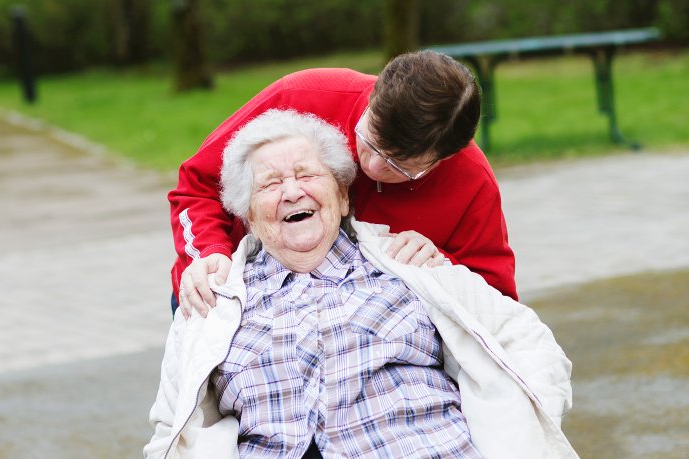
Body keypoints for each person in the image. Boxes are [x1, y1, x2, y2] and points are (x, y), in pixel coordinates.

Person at [144, 110, 577, 459]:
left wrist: (519, 433)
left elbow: (527, 344)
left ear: (344, 195)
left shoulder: (409, 265)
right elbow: (171, 428)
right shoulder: (216, 301)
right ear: (249, 216)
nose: (292, 192)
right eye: (271, 184)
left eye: (307, 175)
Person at [171, 50, 517, 319]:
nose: (372, 166)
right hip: (233, 297)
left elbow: (497, 303)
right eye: (370, 139)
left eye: (400, 166)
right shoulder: (303, 96)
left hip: (368, 332)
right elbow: (197, 182)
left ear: (442, 159)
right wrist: (208, 253)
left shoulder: (471, 181)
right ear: (374, 95)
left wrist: (442, 262)